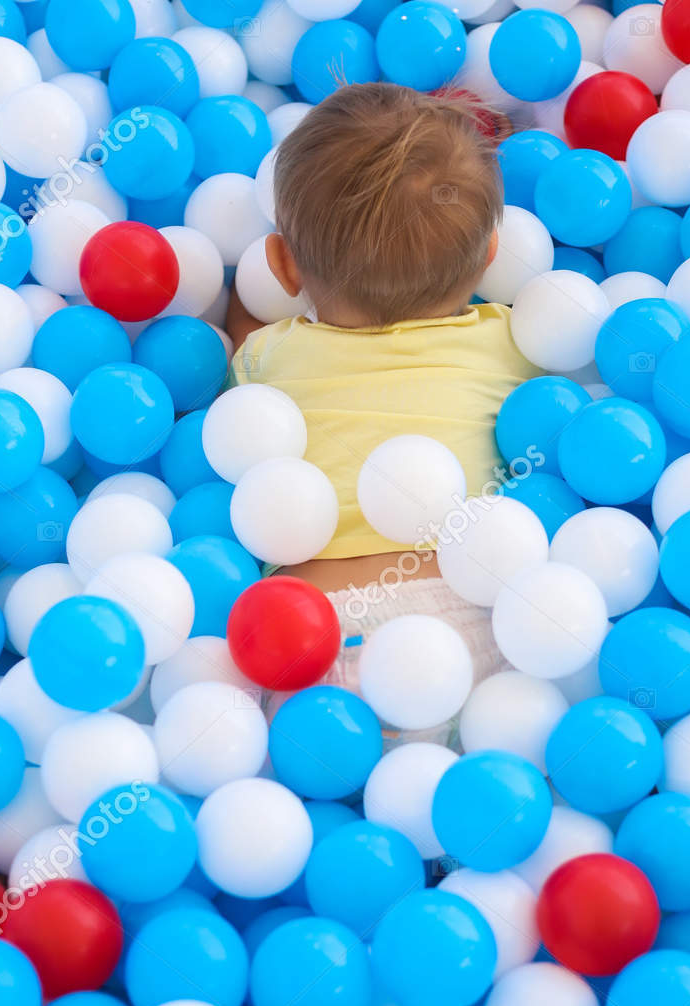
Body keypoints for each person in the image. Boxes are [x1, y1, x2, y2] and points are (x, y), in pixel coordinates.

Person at [227, 82, 536, 694]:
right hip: (482, 614)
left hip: (311, 634)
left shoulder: (272, 355)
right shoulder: (516, 345)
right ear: (490, 257)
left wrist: (237, 299)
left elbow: (238, 355)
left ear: (283, 267)